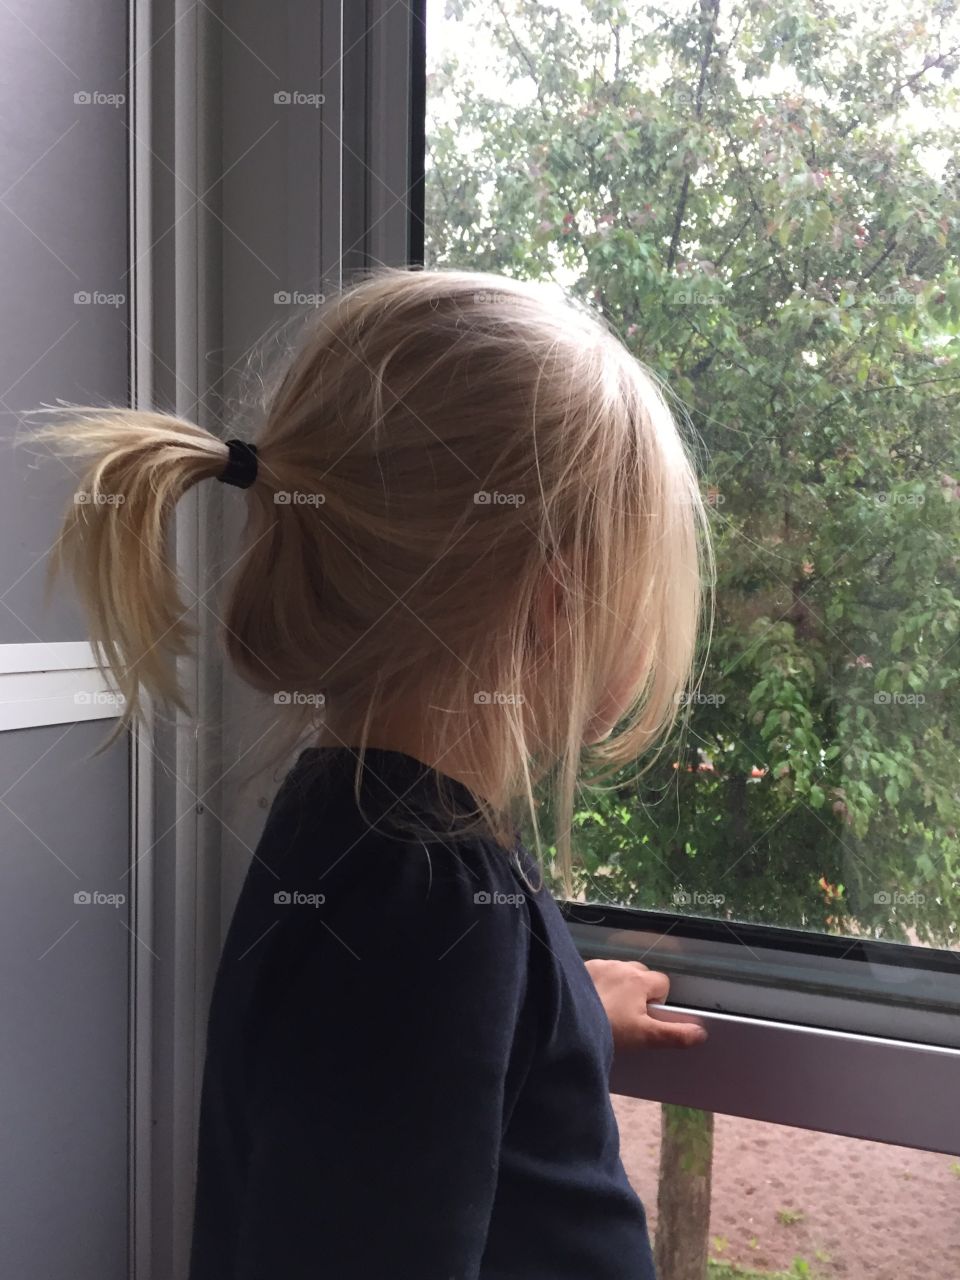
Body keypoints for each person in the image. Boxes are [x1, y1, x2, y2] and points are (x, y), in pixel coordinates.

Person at [32, 268, 710, 1278]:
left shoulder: (357, 824)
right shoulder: (431, 911)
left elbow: (411, 1097)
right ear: (555, 601)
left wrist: (561, 1013)